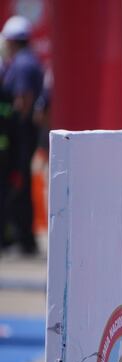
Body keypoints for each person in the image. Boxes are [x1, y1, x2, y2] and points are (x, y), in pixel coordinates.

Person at [0, 15, 42, 257]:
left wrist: (13, 124)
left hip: (21, 136)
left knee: (19, 184)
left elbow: (23, 101)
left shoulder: (22, 65)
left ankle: (24, 238)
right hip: (22, 135)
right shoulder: (26, 61)